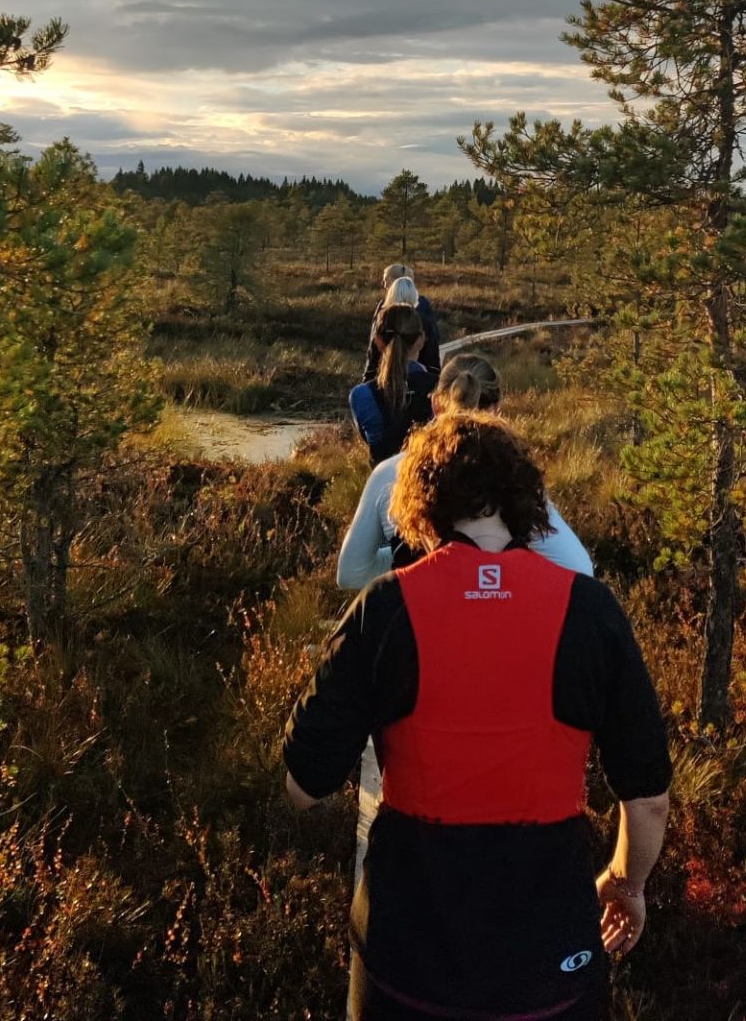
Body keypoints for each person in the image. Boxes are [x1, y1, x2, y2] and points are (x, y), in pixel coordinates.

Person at [284, 413, 671, 1020]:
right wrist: (626, 883)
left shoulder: (384, 608)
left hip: (405, 955)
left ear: (422, 506)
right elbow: (646, 797)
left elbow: (303, 786)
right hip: (551, 959)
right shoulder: (590, 611)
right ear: (522, 502)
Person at [338, 351, 591, 588]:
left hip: (417, 622)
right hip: (496, 624)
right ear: (495, 409)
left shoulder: (390, 473)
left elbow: (350, 573)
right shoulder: (514, 477)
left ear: (436, 404)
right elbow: (578, 567)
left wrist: (401, 557)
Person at [348, 303, 436, 465]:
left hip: (383, 486)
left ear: (378, 341)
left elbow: (372, 442)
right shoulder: (440, 389)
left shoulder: (361, 396)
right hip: (426, 484)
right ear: (421, 340)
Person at [363, 264, 440, 379]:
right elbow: (432, 344)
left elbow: (374, 347)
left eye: (385, 280)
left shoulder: (383, 309)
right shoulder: (424, 306)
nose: (384, 285)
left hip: (385, 375)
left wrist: (369, 376)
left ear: (394, 281)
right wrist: (433, 376)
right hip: (420, 376)